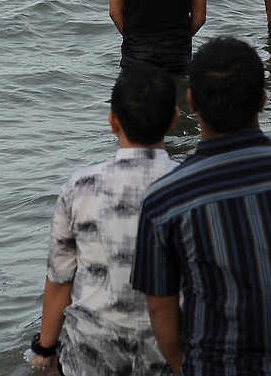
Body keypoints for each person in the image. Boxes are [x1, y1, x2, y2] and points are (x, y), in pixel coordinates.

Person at [131, 37, 271, 375]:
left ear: (192, 101)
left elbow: (161, 307)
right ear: (264, 100)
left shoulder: (165, 199)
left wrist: (186, 368)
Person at [32, 63, 180, 376]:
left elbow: (60, 281)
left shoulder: (79, 188)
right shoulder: (192, 185)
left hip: (93, 355)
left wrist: (45, 351)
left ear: (113, 121)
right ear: (174, 119)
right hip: (170, 352)